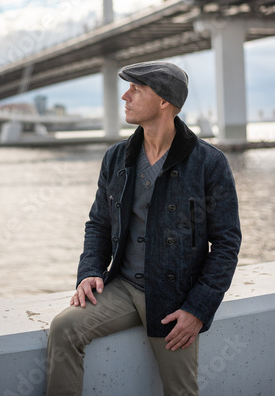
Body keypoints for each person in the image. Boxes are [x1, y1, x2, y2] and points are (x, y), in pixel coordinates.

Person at [46, 61, 241, 396]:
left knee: (181, 391)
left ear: (164, 101)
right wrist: (90, 270)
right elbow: (99, 223)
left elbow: (226, 243)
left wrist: (198, 309)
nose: (125, 96)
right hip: (122, 287)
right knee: (64, 328)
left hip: (174, 298)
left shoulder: (208, 162)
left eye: (136, 89)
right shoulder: (116, 158)